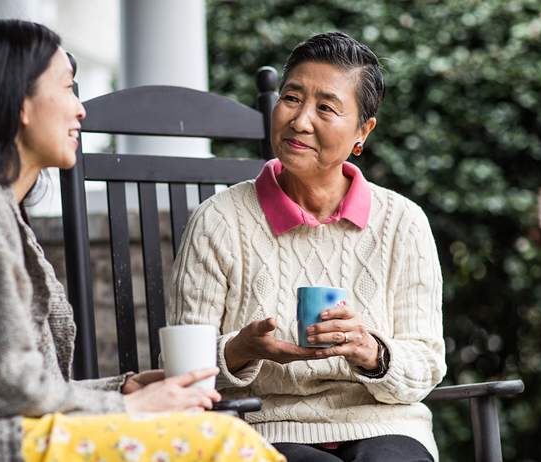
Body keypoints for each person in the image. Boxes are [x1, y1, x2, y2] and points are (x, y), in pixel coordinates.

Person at [0, 19, 284, 462]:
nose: (80, 109)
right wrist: (126, 407)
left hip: (1, 441)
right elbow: (2, 391)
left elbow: (16, 388)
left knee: (216, 434)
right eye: (66, 88)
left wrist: (121, 388)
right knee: (223, 443)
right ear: (18, 103)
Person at [168, 31, 446, 462]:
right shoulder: (219, 220)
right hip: (262, 426)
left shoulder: (402, 222)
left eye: (326, 108)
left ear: (362, 131)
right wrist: (243, 348)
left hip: (385, 424)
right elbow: (185, 369)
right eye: (292, 98)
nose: (300, 121)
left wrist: (371, 352)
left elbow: (425, 362)